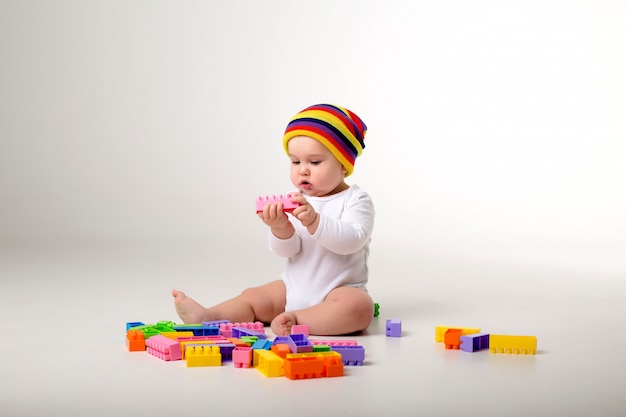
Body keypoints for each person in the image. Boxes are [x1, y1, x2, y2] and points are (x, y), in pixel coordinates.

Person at [172, 103, 375, 336]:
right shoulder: (297, 200)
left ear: (343, 164)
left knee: (360, 308)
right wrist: (280, 228)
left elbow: (352, 240)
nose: (303, 170)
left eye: (315, 162)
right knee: (254, 297)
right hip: (292, 287)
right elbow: (288, 251)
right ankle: (209, 316)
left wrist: (315, 222)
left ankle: (297, 319)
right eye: (295, 162)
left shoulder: (355, 199)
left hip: (338, 292)